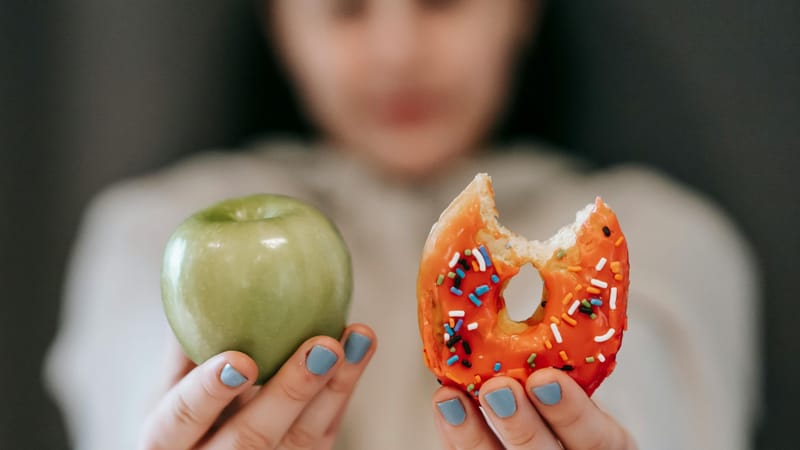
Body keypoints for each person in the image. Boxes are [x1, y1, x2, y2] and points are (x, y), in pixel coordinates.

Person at [44, 0, 759, 449]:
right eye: (346, 8)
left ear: (523, 9)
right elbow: (132, 390)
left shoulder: (666, 236)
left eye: (442, 1)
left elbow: (655, 404)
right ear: (279, 23)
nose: (398, 52)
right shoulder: (145, 231)